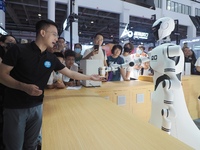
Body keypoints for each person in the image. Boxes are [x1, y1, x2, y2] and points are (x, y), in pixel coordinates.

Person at [0, 19, 103, 150]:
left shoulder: (50, 58)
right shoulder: (18, 50)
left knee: (32, 145)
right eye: (54, 34)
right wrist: (23, 87)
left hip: (37, 106)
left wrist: (90, 77)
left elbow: (70, 74)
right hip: (16, 107)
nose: (57, 38)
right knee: (14, 147)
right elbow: (1, 75)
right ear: (42, 32)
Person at [0, 34, 17, 150]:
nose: (12, 43)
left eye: (14, 42)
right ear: (2, 43)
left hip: (11, 90)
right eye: (9, 41)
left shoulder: (16, 55)